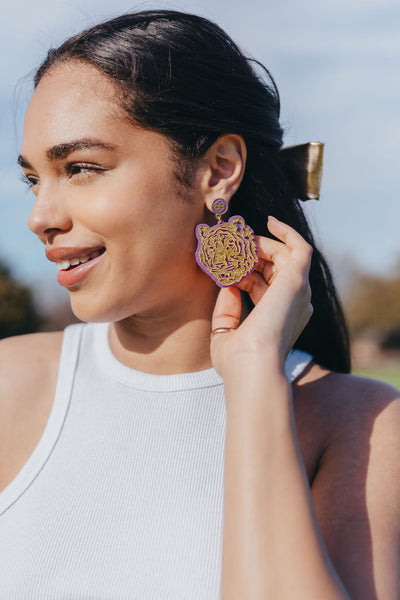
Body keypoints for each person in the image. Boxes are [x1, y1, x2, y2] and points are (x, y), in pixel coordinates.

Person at [0, 9, 399, 599]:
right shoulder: (10, 385)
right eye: (36, 179)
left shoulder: (365, 428)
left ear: (218, 170)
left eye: (81, 168)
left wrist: (255, 381)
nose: (41, 218)